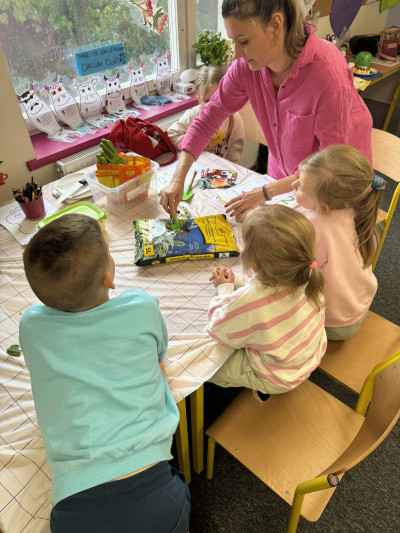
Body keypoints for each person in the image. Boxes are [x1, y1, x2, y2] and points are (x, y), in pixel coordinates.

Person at [19, 214, 190, 533]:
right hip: (156, 496)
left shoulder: (30, 325)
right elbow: (159, 354)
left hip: (74, 509)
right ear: (109, 277)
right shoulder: (141, 306)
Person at [160, 0, 372, 219]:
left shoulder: (327, 72)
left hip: (334, 188)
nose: (237, 53)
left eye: (243, 41)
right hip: (285, 181)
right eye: (233, 42)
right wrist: (178, 179)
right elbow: (207, 119)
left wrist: (265, 192)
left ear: (276, 25)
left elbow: (329, 165)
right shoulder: (247, 67)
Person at [207, 204, 327, 400]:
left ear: (254, 264)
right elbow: (262, 284)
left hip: (278, 377)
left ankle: (260, 387)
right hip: (308, 356)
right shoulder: (307, 271)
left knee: (208, 366)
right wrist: (237, 280)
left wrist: (224, 289)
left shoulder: (254, 300)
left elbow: (216, 329)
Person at [293, 145, 383, 340]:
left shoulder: (316, 227)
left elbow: (296, 270)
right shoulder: (355, 207)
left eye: (300, 187)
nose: (293, 185)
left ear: (324, 207)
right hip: (359, 305)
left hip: (333, 323)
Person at [167, 65, 245, 163]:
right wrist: (197, 143)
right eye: (207, 101)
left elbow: (234, 156)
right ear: (199, 99)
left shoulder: (234, 119)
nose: (213, 106)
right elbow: (170, 135)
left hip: (220, 169)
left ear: (225, 95)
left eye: (217, 99)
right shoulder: (193, 115)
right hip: (197, 167)